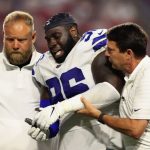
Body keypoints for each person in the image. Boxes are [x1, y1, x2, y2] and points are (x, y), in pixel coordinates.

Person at [28, 12, 124, 150]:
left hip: (106, 133)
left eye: (56, 36)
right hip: (68, 140)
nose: (52, 43)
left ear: (73, 31)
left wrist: (60, 108)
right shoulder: (42, 65)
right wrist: (47, 126)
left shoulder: (91, 45)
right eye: (48, 39)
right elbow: (47, 99)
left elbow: (112, 89)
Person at [78, 22, 150, 150]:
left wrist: (98, 115)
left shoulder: (146, 76)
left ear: (128, 54)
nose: (106, 54)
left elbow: (135, 128)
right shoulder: (133, 76)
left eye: (110, 50)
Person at [0, 11, 52, 150]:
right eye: (10, 39)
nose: (15, 45)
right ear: (3, 36)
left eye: (21, 40)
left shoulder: (50, 68)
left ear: (33, 37)